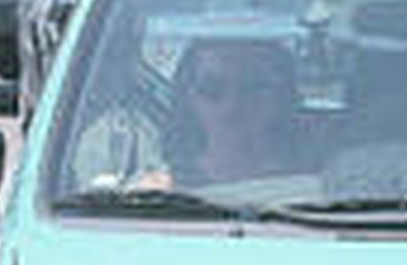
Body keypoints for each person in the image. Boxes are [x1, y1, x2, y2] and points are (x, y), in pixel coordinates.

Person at [68, 37, 300, 193]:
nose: (232, 104)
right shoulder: (152, 198)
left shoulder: (326, 196)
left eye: (252, 87)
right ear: (188, 98)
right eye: (212, 87)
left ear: (282, 96)